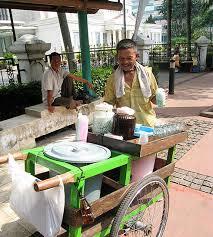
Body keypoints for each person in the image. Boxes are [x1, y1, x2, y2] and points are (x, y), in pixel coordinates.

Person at [104, 39, 158, 127]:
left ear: (136, 56)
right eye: (121, 59)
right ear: (117, 57)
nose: (125, 62)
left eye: (129, 58)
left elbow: (153, 99)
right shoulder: (112, 79)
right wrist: (102, 108)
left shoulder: (147, 74)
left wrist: (160, 97)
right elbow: (109, 103)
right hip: (124, 127)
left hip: (147, 125)